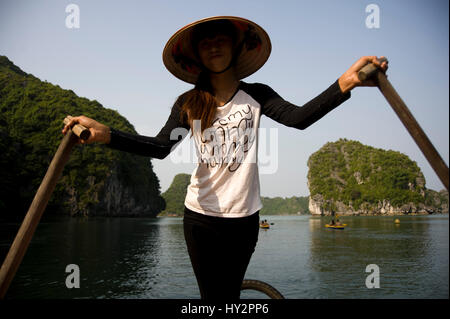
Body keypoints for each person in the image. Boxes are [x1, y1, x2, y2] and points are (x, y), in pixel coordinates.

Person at [62, 16, 387, 299]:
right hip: (200, 215)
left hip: (244, 218)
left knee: (228, 294)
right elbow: (161, 147)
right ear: (197, 55)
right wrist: (107, 134)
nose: (214, 47)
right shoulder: (189, 102)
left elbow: (298, 118)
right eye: (206, 43)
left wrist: (346, 83)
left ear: (235, 47)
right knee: (211, 297)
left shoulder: (257, 94)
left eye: (221, 40)